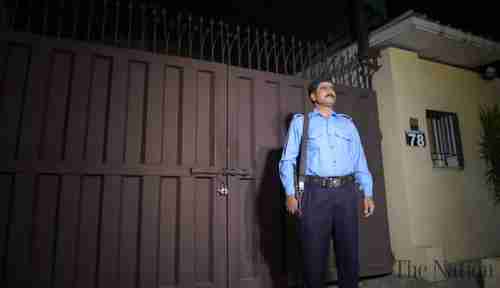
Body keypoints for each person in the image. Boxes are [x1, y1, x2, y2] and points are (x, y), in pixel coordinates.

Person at [279, 78, 375, 288]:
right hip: (315, 194)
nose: (330, 91)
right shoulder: (301, 122)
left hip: (346, 192)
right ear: (313, 96)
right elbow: (287, 161)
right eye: (324, 88)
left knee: (349, 253)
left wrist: (367, 192)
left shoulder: (347, 124)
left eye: (331, 88)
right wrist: (290, 194)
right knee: (313, 254)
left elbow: (359, 159)